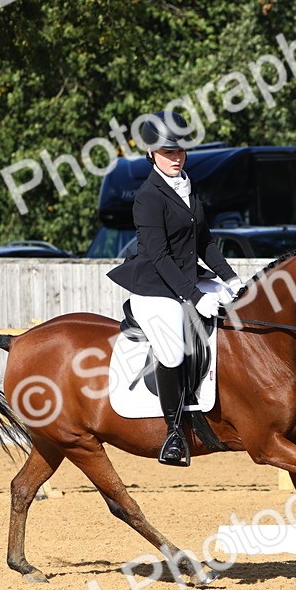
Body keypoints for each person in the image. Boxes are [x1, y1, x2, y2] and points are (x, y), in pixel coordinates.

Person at [107, 111, 245, 467]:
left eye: (181, 151)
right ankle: (173, 433)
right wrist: (197, 297)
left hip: (188, 277)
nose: (177, 157)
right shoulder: (147, 197)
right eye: (169, 152)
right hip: (155, 287)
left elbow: (206, 242)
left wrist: (230, 278)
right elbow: (161, 256)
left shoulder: (189, 186)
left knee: (240, 308)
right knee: (171, 352)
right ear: (152, 153)